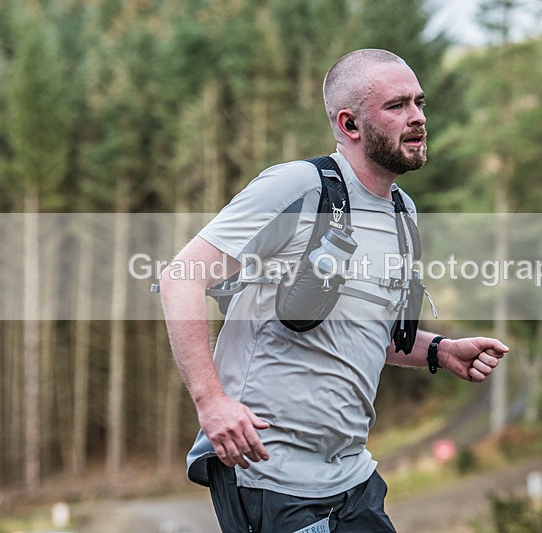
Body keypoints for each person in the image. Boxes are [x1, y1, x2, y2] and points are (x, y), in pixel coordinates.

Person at [159, 49, 509, 532]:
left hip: (353, 477)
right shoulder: (299, 187)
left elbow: (363, 333)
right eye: (397, 106)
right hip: (268, 473)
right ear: (350, 125)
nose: (418, 118)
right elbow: (180, 277)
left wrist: (440, 352)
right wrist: (211, 401)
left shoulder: (403, 213)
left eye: (419, 103)